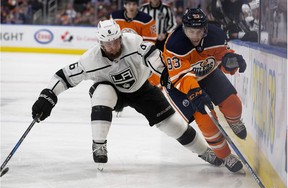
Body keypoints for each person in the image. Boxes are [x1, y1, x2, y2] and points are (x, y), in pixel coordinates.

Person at [31, 19, 223, 169]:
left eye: (115, 41)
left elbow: (153, 57)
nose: (113, 47)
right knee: (102, 92)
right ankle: (99, 144)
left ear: (121, 37)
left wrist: (165, 75)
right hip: (114, 91)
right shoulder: (91, 59)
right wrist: (47, 96)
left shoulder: (133, 42)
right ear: (100, 43)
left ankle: (205, 152)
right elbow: (64, 76)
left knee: (173, 125)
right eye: (108, 44)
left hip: (142, 89)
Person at [160, 8, 247, 172]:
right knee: (207, 122)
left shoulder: (216, 35)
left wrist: (230, 59)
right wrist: (195, 93)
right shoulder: (174, 44)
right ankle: (226, 156)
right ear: (184, 28)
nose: (194, 35)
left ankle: (234, 121)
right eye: (190, 31)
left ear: (205, 29)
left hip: (208, 74)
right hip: (180, 85)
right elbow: (181, 76)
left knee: (233, 105)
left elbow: (222, 54)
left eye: (198, 31)